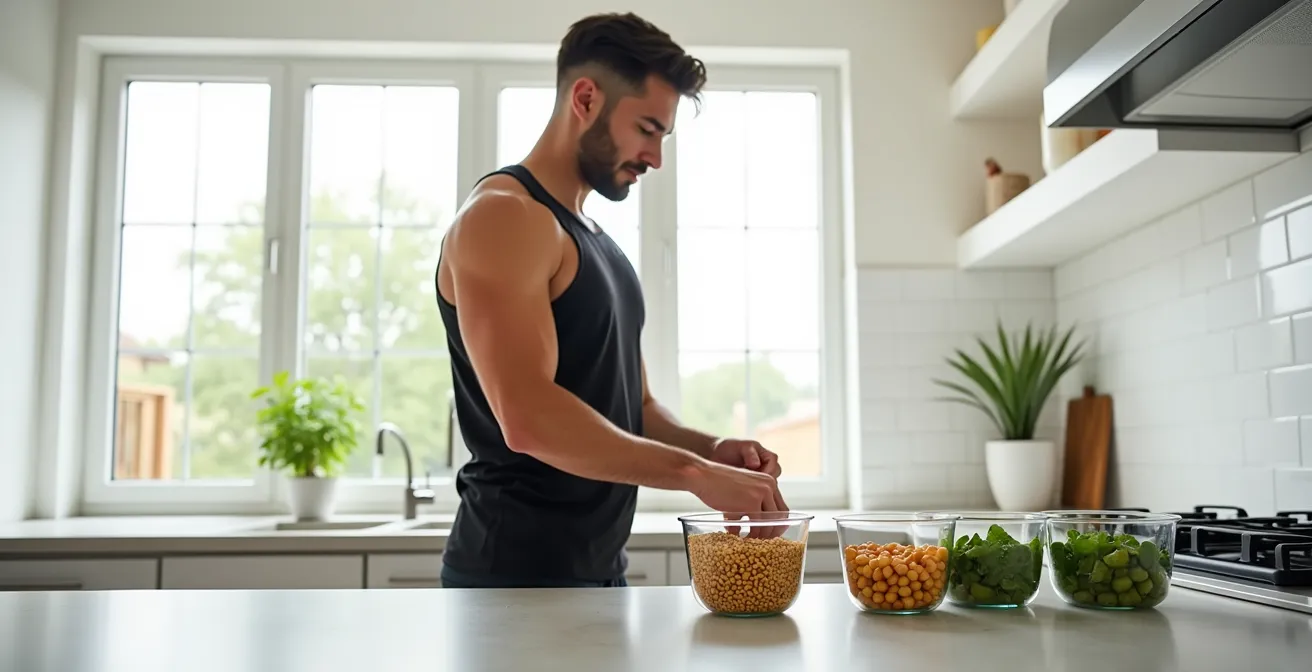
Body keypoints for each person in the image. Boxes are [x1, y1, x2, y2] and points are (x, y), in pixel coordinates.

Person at [434, 12, 789, 590]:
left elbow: (637, 409)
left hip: (597, 572)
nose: (655, 157)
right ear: (585, 98)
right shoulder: (505, 217)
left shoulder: (593, 240)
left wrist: (715, 450)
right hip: (511, 579)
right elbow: (526, 419)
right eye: (647, 128)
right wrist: (695, 474)